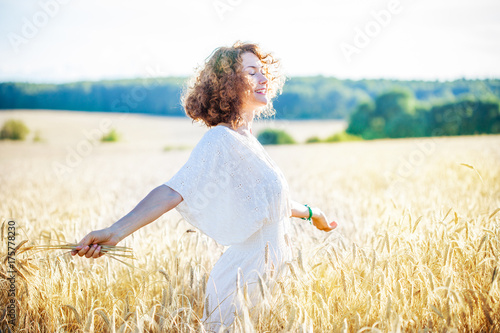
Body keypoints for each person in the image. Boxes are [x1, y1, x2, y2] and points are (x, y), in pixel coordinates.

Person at [72, 41, 338, 331]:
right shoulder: (220, 140)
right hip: (240, 285)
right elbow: (174, 190)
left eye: (263, 72)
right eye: (251, 72)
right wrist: (115, 232)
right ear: (228, 84)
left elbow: (272, 206)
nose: (263, 79)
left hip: (268, 284)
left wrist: (313, 213)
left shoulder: (246, 141)